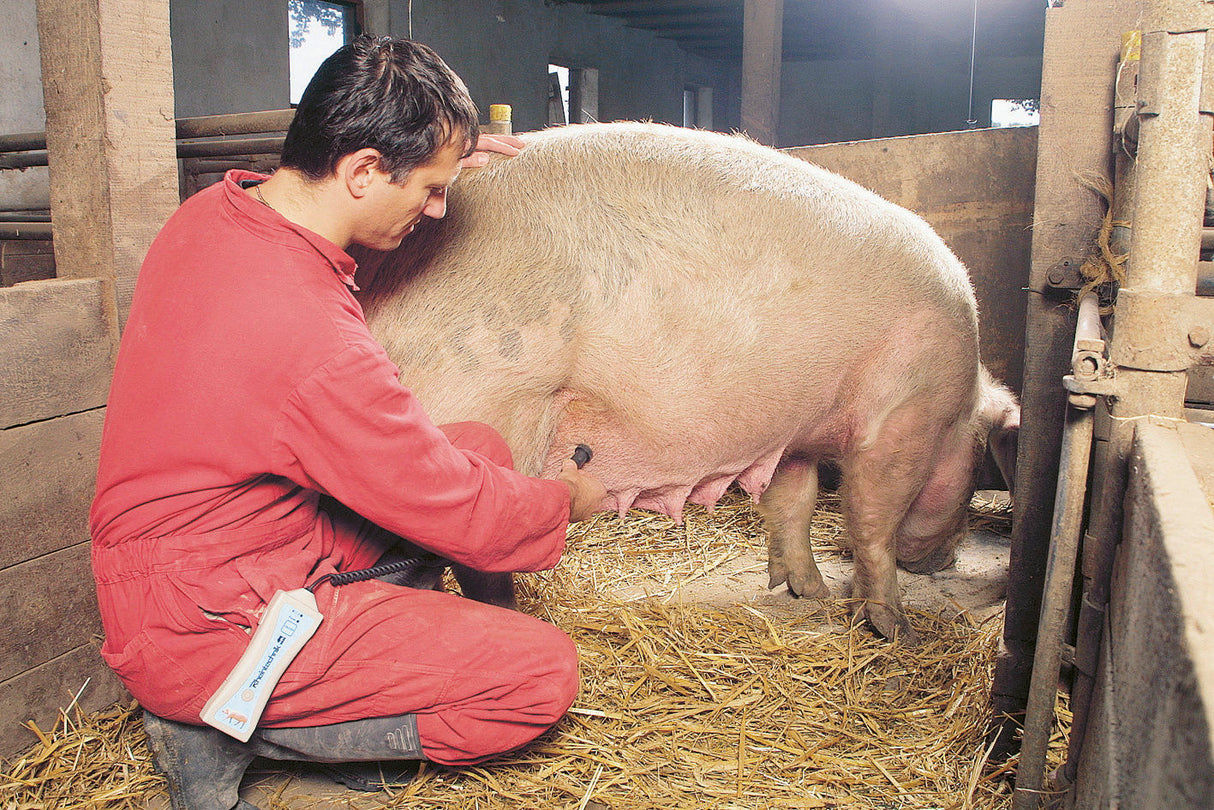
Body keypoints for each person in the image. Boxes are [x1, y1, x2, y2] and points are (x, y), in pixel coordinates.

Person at [88, 35, 605, 810]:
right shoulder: (309, 339)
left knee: (478, 448)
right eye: (430, 190)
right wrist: (566, 502)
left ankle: (404, 653)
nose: (438, 209)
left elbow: (424, 463)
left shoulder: (216, 214)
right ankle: (225, 727)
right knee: (539, 677)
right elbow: (455, 506)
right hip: (210, 622)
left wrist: (449, 158)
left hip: (227, 543)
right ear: (362, 169)